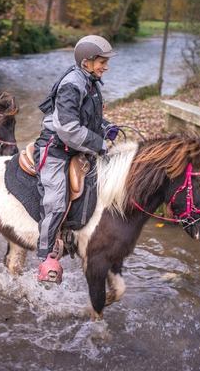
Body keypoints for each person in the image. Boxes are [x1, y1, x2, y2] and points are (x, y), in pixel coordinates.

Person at [34, 35, 119, 283]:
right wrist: (99, 144)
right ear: (86, 62)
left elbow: (87, 119)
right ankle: (47, 255)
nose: (106, 66)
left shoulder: (91, 81)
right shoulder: (72, 84)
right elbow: (69, 127)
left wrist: (106, 127)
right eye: (102, 61)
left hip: (76, 147)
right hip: (56, 148)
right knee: (56, 200)